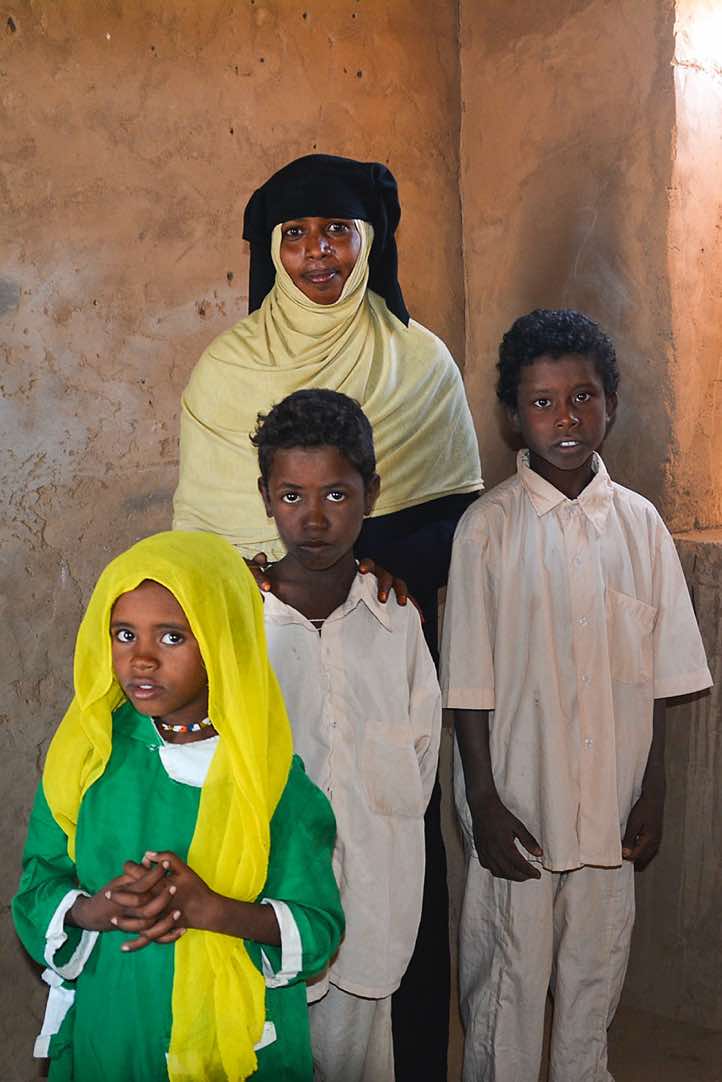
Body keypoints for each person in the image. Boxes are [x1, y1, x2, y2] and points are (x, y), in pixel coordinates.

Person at [172, 153, 483, 1076]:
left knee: (396, 860)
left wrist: (379, 560)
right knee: (269, 854)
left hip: (382, 636)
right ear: (270, 249)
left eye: (338, 234)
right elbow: (201, 543)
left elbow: (453, 514)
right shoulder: (227, 371)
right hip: (266, 651)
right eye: (298, 236)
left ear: (371, 241)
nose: (319, 255)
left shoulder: (418, 359)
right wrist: (265, 577)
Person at [440, 309, 712, 1082]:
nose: (567, 418)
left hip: (612, 804)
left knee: (595, 980)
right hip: (517, 803)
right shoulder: (487, 530)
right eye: (543, 402)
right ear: (511, 417)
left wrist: (652, 789)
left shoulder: (641, 526)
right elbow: (467, 684)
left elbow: (661, 672)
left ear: (612, 404)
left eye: (584, 397)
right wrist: (483, 804)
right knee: (509, 982)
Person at [12, 530, 344, 1082]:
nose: (140, 659)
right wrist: (93, 911)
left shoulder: (269, 778)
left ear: (222, 643)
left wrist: (212, 910)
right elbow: (37, 887)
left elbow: (317, 931)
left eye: (171, 638)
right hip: (112, 1035)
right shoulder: (87, 759)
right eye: (123, 634)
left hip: (233, 1054)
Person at [250, 388, 442, 1082]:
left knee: (361, 1059)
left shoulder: (396, 622)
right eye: (292, 494)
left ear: (372, 493)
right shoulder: (241, 622)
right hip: (267, 910)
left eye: (336, 495)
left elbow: (420, 766)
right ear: (266, 497)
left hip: (373, 907)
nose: (313, 518)